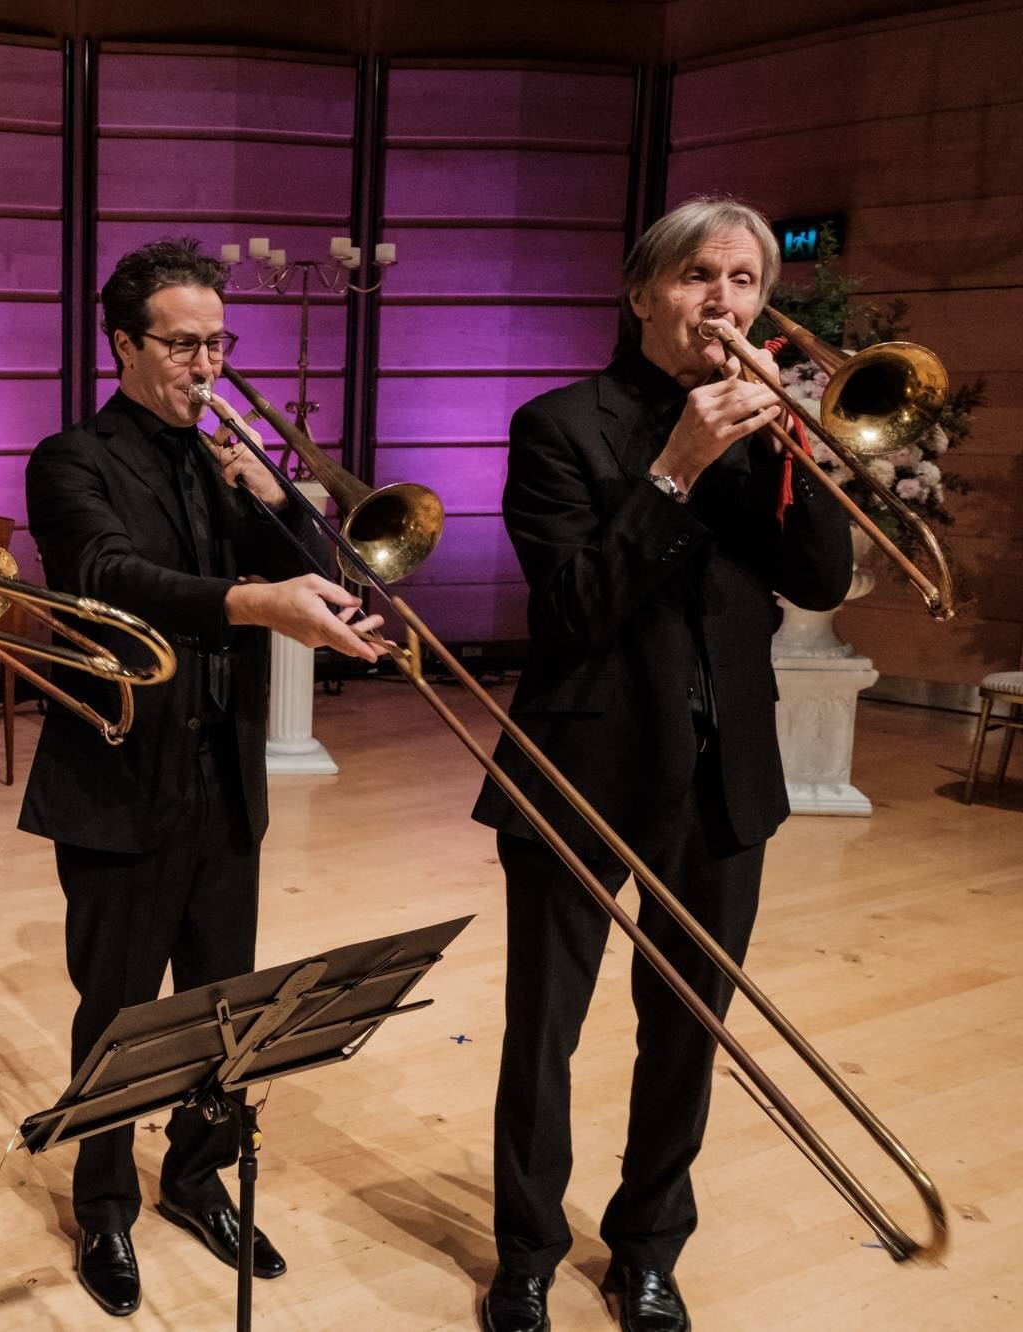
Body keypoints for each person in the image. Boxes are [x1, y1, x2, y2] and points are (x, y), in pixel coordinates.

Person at [470, 197, 853, 1332]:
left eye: (742, 281)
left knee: (686, 1028)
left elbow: (822, 583)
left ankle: (646, 1246)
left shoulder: (762, 433)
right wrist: (677, 467)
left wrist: (807, 453)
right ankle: (526, 1254)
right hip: (580, 764)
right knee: (544, 1031)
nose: (722, 301)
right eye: (697, 276)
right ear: (640, 292)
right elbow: (576, 605)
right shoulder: (558, 426)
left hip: (723, 774)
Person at [19, 237, 385, 1317]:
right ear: (123, 343)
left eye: (216, 342)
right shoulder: (70, 458)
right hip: (120, 780)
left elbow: (320, 581)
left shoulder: (224, 463)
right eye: (181, 344)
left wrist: (276, 503)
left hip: (224, 783)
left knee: (228, 1008)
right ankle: (102, 1207)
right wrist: (247, 601)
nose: (205, 364)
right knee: (117, 1011)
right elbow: (104, 578)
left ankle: (192, 1174)